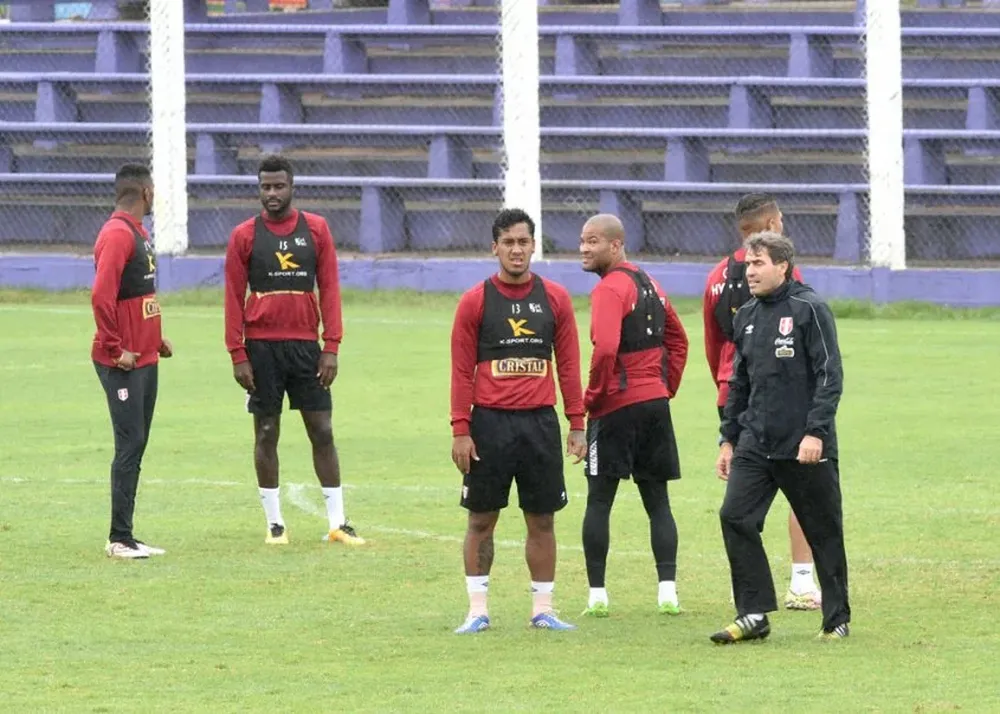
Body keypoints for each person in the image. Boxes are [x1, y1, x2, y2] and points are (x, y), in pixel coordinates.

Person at [450, 208, 587, 634]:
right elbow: (459, 370)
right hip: (489, 425)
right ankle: (477, 611)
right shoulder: (475, 300)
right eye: (507, 242)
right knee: (480, 519)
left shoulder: (555, 298)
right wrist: (461, 429)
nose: (516, 250)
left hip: (539, 426)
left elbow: (568, 364)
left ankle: (542, 609)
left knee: (542, 519)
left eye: (523, 242)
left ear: (533, 245)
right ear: (495, 247)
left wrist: (577, 422)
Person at [711, 231, 850, 644]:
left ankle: (836, 618)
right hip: (756, 442)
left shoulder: (810, 309)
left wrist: (815, 432)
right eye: (747, 265)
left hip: (804, 444)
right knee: (735, 516)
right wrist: (728, 439)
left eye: (758, 264)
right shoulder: (746, 315)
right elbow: (740, 384)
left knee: (822, 528)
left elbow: (830, 376)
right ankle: (753, 614)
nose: (749, 272)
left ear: (782, 266)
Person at [224, 154, 364, 546]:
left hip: (306, 348)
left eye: (278, 186)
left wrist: (331, 345)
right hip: (262, 349)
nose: (272, 193)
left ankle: (338, 523)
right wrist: (237, 353)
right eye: (265, 187)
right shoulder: (244, 236)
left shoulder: (316, 230)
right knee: (266, 431)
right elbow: (234, 297)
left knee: (322, 430)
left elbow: (331, 288)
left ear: (291, 187)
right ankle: (275, 525)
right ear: (259, 189)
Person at [703, 193, 822, 610]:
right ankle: (802, 582)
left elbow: (713, 342)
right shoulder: (781, 269)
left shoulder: (716, 275)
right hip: (775, 394)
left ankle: (749, 594)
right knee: (799, 487)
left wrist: (726, 396)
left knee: (740, 500)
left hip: (730, 392)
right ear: (770, 222)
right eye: (781, 218)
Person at [579, 214, 689, 617]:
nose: (584, 249)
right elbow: (679, 340)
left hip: (616, 408)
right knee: (658, 501)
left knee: (599, 499)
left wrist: (592, 398)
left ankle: (597, 595)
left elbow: (605, 348)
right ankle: (667, 591)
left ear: (616, 244)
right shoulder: (652, 284)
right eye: (582, 241)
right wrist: (665, 388)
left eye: (593, 241)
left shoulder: (610, 289)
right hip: (654, 405)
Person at [91, 163, 172, 559]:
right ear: (146, 192)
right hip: (121, 361)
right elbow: (101, 297)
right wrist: (112, 347)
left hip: (144, 356)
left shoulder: (137, 234)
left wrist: (156, 338)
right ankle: (118, 538)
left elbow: (137, 297)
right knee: (130, 442)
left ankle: (127, 534)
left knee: (137, 443)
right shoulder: (117, 235)